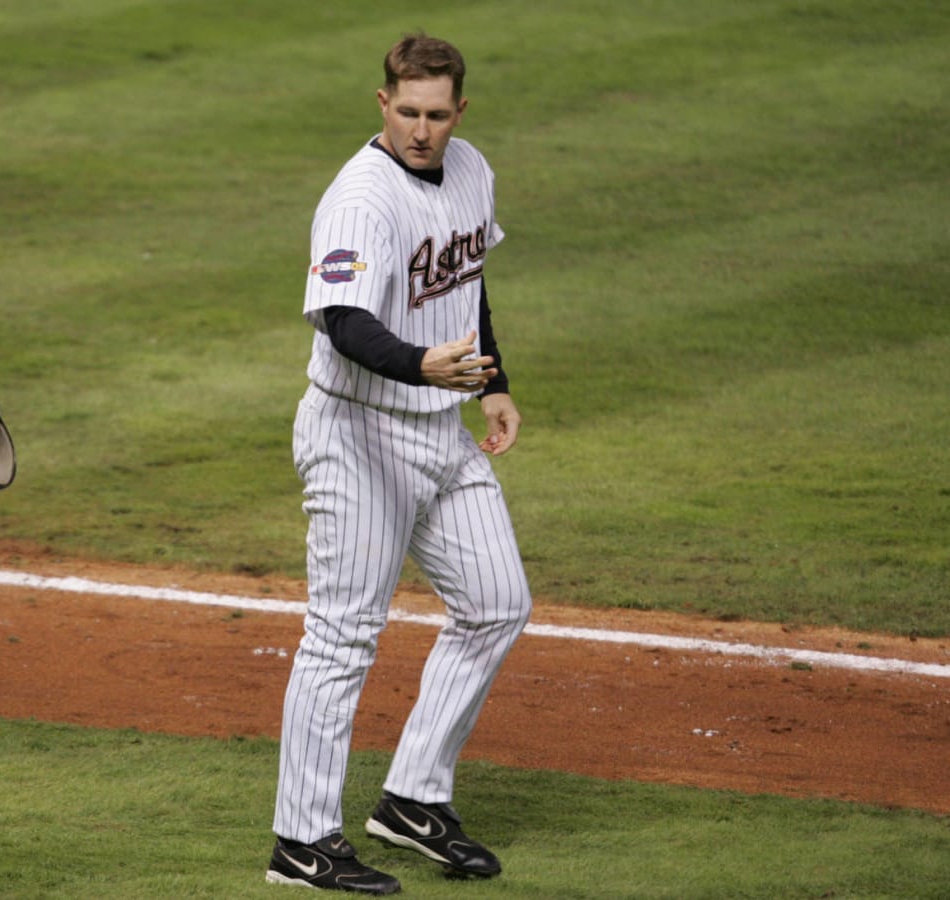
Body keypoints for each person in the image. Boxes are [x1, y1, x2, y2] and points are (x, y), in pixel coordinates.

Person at [266, 34, 532, 894]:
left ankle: (414, 798)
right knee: (342, 639)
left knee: (497, 604)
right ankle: (301, 843)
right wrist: (425, 366)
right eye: (407, 112)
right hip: (357, 433)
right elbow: (343, 322)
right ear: (382, 104)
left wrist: (491, 380)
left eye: (438, 114)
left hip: (439, 426)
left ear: (460, 112)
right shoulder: (359, 201)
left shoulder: (471, 170)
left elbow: (465, 277)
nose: (422, 130)